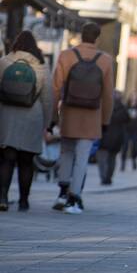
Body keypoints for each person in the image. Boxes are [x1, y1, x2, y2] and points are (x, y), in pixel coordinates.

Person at [52, 22, 115, 214]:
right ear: (97, 38)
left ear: (81, 36)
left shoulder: (66, 55)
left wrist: (53, 117)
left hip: (70, 113)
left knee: (66, 152)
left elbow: (55, 88)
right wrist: (105, 121)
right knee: (82, 157)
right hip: (92, 117)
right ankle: (75, 197)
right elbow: (108, 95)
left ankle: (62, 193)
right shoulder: (105, 60)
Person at [0, 31, 53, 211]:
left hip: (7, 116)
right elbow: (47, 99)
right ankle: (24, 201)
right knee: (26, 161)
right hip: (32, 117)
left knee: (7, 159)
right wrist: (47, 124)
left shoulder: (4, 62)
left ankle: (3, 198)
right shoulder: (42, 67)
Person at [96, 89, 127, 186]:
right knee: (112, 159)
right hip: (117, 139)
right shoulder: (124, 110)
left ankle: (104, 177)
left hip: (104, 136)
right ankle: (108, 177)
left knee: (102, 158)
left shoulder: (105, 107)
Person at [120, 93, 137, 171]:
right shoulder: (126, 107)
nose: (133, 98)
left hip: (136, 131)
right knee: (125, 147)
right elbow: (122, 118)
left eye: (135, 97)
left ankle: (134, 161)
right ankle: (123, 163)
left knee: (135, 147)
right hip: (127, 130)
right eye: (132, 96)